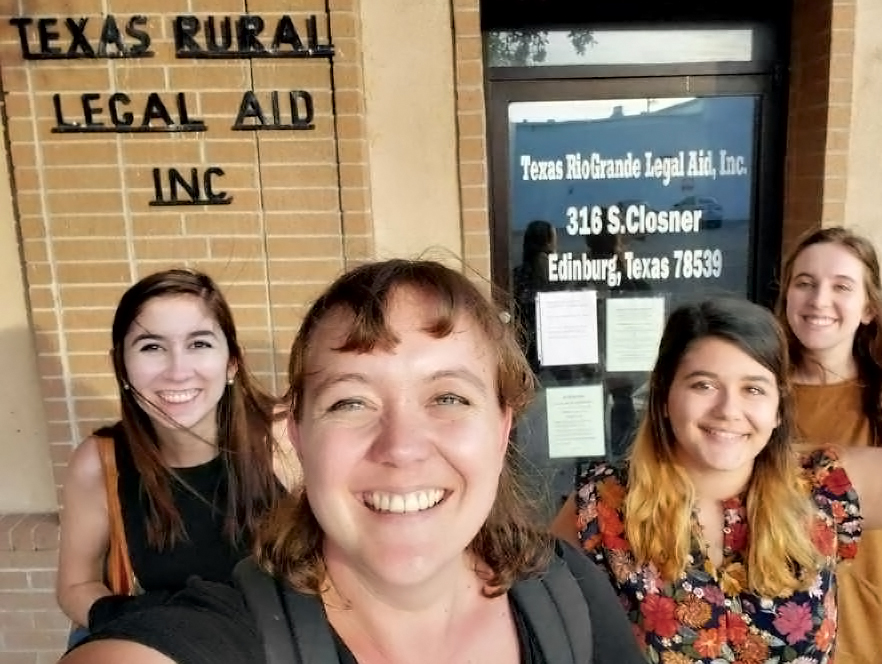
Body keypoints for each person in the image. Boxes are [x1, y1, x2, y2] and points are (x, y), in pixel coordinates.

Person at [60, 259, 646, 664]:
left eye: (448, 397)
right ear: (300, 438)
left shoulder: (567, 589)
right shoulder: (237, 625)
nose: (402, 447)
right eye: (351, 401)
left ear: (502, 429)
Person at [552, 296, 882, 663]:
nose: (728, 410)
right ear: (665, 396)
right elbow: (529, 621)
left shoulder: (821, 490)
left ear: (778, 408)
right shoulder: (603, 504)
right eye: (703, 385)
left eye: (754, 388)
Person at [57, 268, 299, 646]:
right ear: (121, 365)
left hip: (288, 645)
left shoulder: (287, 438)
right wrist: (145, 622)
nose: (178, 372)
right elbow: (75, 584)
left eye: (199, 344)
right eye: (152, 347)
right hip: (173, 645)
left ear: (232, 362)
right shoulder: (99, 461)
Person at [777, 226, 882, 664]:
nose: (818, 300)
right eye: (805, 283)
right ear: (787, 296)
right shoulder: (756, 390)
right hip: (762, 626)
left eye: (841, 287)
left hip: (861, 630)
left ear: (868, 307)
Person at [513, 219, 557, 374]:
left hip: (526, 344)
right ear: (549, 242)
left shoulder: (517, 274)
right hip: (552, 341)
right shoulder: (558, 272)